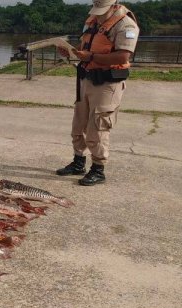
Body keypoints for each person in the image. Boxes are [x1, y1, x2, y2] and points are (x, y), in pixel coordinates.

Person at [56, 0, 139, 185]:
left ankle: (98, 170)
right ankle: (78, 162)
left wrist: (92, 57)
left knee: (98, 126)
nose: (99, 14)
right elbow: (85, 50)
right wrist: (69, 52)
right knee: (79, 123)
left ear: (113, 5)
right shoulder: (92, 21)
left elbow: (123, 55)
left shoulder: (126, 24)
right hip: (86, 78)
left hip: (107, 83)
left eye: (102, 10)